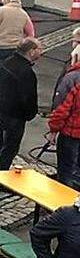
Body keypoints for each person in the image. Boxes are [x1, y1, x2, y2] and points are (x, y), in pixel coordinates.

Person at [0, 38, 43, 170]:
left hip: (1, 109)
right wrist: (30, 114)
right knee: (9, 148)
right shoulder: (26, 72)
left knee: (0, 142)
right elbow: (27, 97)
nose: (41, 52)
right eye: (39, 49)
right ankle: (0, 177)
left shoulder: (8, 62)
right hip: (15, 115)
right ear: (31, 51)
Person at [51, 53, 80, 190]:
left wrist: (53, 130)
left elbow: (62, 109)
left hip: (71, 133)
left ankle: (63, 205)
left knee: (66, 172)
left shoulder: (73, 78)